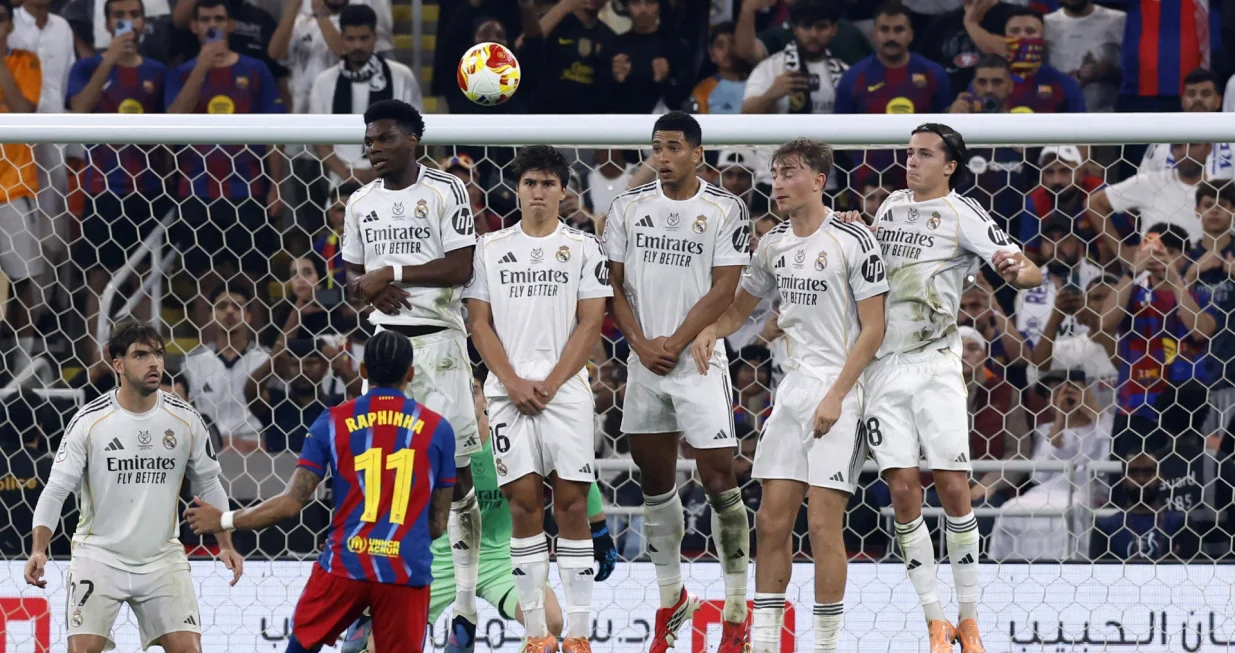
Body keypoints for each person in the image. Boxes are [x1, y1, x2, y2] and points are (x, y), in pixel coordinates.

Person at [845, 122, 1043, 652]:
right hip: (883, 367)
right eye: (909, 153)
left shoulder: (965, 214)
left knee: (955, 489)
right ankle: (935, 619)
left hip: (936, 365)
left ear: (950, 165)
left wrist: (1012, 266)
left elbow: (1031, 273)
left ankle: (970, 618)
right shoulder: (888, 206)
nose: (912, 162)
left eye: (925, 154)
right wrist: (851, 225)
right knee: (904, 490)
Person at [690, 138, 888, 653]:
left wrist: (838, 396)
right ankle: (763, 641)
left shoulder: (852, 240)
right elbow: (741, 307)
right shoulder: (773, 243)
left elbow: (874, 329)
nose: (776, 182)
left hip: (841, 387)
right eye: (774, 173)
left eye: (789, 173)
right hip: (793, 387)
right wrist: (714, 329)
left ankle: (825, 646)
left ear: (818, 180)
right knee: (771, 520)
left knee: (823, 523)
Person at [185, 330, 456, 653]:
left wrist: (225, 519)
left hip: (346, 564)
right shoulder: (439, 429)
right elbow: (438, 524)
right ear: (410, 374)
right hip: (405, 569)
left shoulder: (333, 421)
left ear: (365, 371)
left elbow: (290, 504)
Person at [603, 111, 752, 653]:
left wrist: (678, 340)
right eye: (655, 148)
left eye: (671, 147)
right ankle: (672, 600)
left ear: (697, 153)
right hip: (646, 361)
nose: (661, 157)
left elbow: (725, 287)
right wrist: (642, 344)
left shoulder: (725, 207)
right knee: (654, 483)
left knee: (718, 479)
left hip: (698, 361)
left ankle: (737, 605)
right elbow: (612, 286)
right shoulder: (628, 207)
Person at [340, 99, 484, 651]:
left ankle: (465, 613)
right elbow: (352, 279)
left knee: (461, 478)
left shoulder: (445, 190)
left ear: (413, 140)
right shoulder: (360, 202)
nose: (373, 147)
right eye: (369, 140)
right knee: (378, 480)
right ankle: (378, 603)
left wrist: (390, 272)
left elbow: (460, 266)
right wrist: (366, 285)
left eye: (383, 139)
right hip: (382, 350)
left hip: (441, 348)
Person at [339, 376, 619, 653]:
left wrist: (599, 529)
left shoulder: (510, 438)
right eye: (458, 392)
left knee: (552, 622)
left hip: (499, 557)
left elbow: (569, 471)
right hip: (440, 557)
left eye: (472, 391)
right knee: (381, 642)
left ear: (486, 398)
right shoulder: (430, 440)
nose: (465, 399)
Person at [462, 145, 612, 653]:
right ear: (517, 189)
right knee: (524, 503)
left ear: (564, 190)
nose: (539, 192)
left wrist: (550, 382)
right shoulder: (489, 248)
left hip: (566, 391)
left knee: (570, 504)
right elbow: (478, 322)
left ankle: (579, 634)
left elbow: (592, 321)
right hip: (507, 393)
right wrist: (510, 380)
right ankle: (535, 636)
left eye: (549, 183)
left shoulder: (584, 248)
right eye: (531, 183)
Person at [24, 320, 244, 653]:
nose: (154, 362)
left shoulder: (186, 419)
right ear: (118, 364)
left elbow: (209, 483)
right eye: (140, 355)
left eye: (158, 353)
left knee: (189, 650)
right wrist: (39, 548)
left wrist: (225, 543)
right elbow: (55, 490)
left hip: (161, 558)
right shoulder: (89, 421)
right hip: (99, 557)